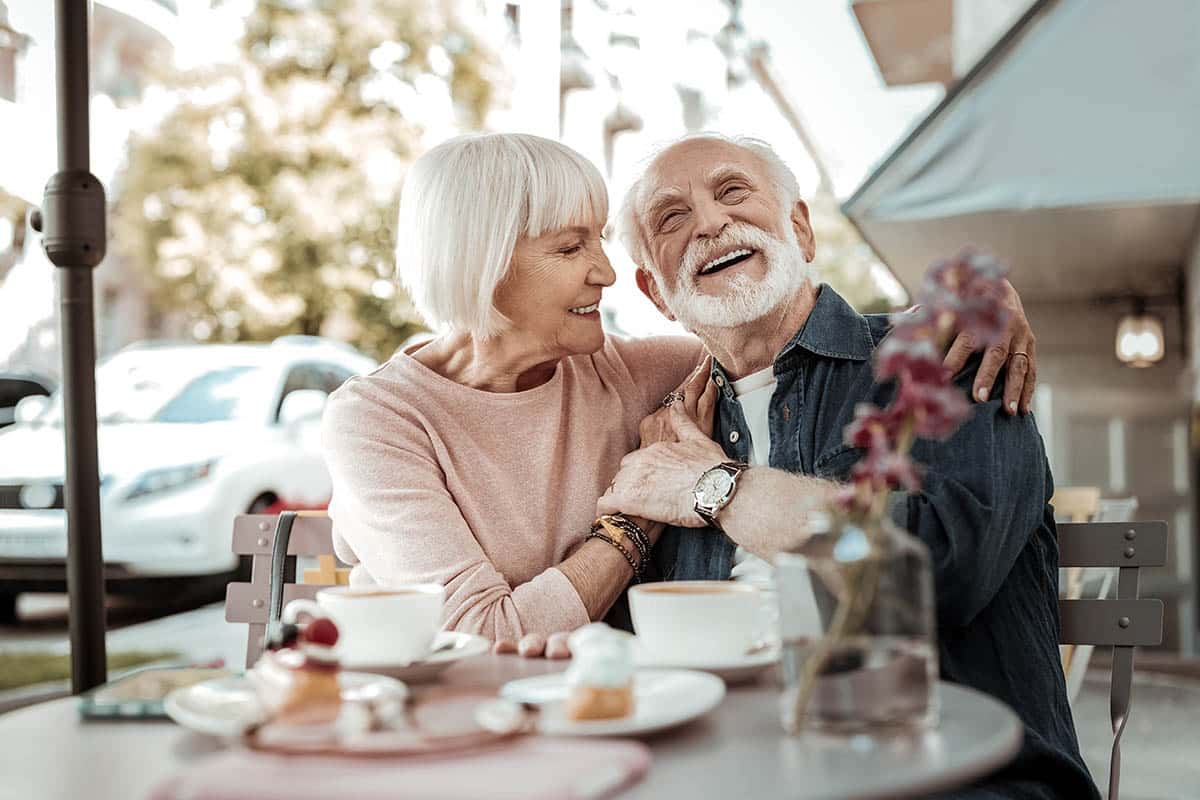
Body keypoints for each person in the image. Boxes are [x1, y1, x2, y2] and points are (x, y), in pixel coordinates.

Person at [322, 131, 1040, 649]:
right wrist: (633, 519)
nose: (601, 272)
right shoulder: (382, 417)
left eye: (733, 192)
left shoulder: (650, 374)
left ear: (800, 226)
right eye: (572, 248)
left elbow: (782, 320)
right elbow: (479, 635)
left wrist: (975, 300)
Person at [597, 133, 1096, 799]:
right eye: (672, 217)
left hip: (953, 776)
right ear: (655, 292)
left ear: (801, 230)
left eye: (732, 192)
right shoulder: (670, 431)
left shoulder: (946, 356)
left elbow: (935, 573)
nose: (710, 223)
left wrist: (715, 487)